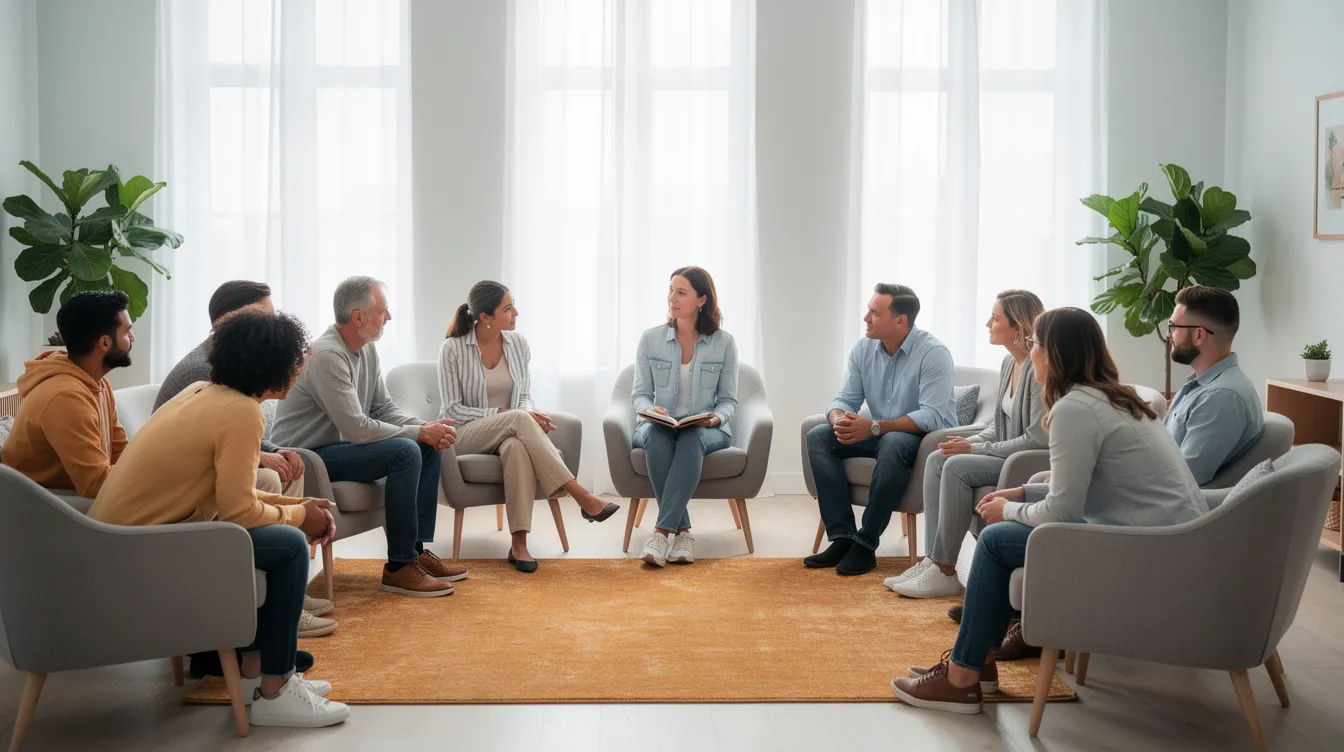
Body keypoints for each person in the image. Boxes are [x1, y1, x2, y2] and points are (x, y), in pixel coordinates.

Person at [891, 307, 1206, 715]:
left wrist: (1009, 510)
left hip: (1140, 551)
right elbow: (1094, 485)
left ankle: (962, 678)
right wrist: (1025, 490)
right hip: (1165, 542)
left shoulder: (1074, 410)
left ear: (1055, 353)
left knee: (995, 540)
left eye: (1035, 343)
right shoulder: (1114, 398)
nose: (1030, 350)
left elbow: (1063, 511)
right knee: (1000, 536)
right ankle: (976, 665)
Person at [88, 311, 350, 728]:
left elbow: (232, 493)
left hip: (118, 542)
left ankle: (255, 675)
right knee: (288, 546)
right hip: (138, 552)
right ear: (271, 364)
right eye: (296, 361)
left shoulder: (202, 393)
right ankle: (276, 690)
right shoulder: (242, 412)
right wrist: (300, 516)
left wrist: (301, 507)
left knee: (281, 535)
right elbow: (238, 512)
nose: (301, 370)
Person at [154, 280, 335, 639]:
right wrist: (299, 512)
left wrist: (282, 471)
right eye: (264, 319)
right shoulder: (205, 374)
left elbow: (228, 438)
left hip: (182, 499)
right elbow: (233, 496)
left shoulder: (228, 377)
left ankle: (284, 600)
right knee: (285, 527)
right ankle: (279, 618)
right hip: (167, 523)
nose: (273, 327)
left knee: (285, 472)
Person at [272, 277, 465, 597]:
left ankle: (414, 553)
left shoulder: (367, 349)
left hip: (339, 448)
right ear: (358, 317)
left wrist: (426, 428)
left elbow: (383, 408)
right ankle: (399, 567)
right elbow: (357, 429)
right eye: (382, 311)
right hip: (310, 456)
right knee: (406, 451)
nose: (388, 317)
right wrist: (420, 432)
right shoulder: (326, 355)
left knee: (426, 447)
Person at [439, 281, 619, 572]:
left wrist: (525, 413)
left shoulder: (518, 345)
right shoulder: (452, 349)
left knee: (517, 447)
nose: (516, 314)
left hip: (509, 432)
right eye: (507, 309)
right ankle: (581, 496)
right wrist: (508, 414)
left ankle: (519, 545)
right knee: (519, 419)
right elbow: (451, 410)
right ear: (485, 317)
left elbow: (524, 396)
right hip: (464, 434)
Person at [888, 290, 1048, 598]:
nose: (987, 323)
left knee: (958, 466)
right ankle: (932, 561)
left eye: (995, 318)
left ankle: (946, 569)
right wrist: (967, 441)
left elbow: (1036, 438)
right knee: (938, 458)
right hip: (1006, 453)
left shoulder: (1037, 369)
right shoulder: (1008, 363)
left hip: (1025, 459)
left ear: (1017, 327)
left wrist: (973, 449)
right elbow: (998, 426)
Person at [804, 284, 956, 576]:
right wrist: (839, 420)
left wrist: (874, 427)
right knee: (819, 437)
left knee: (894, 441)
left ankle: (866, 542)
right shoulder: (863, 349)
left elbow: (933, 416)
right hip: (879, 434)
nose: (866, 318)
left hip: (923, 440)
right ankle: (843, 537)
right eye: (868, 310)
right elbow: (844, 399)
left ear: (900, 320)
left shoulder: (934, 353)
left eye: (874, 313)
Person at [634, 266, 738, 567]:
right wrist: (649, 410)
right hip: (659, 425)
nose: (672, 298)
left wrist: (714, 419)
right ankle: (682, 533)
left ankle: (660, 532)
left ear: (701, 300)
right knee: (656, 436)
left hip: (706, 429)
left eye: (681, 292)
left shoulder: (724, 343)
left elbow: (729, 401)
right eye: (670, 290)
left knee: (692, 438)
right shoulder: (650, 339)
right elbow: (640, 394)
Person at [1, 291, 132, 498]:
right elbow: (96, 484)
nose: (132, 338)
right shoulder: (65, 397)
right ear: (105, 343)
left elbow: (119, 451)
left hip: (67, 499)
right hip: (40, 506)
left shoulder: (97, 383)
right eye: (127, 332)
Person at [1164, 285, 1264, 486]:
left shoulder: (1221, 397)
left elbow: (1183, 480)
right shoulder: (1203, 386)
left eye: (1173, 326)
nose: (1169, 334)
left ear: (1199, 335)